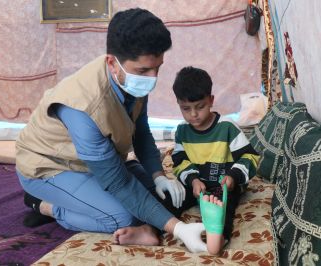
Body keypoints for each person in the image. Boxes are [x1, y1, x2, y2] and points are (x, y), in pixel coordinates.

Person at [15, 8, 207, 253]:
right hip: (49, 167)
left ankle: (82, 200)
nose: (153, 78)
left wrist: (158, 174)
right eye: (144, 71)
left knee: (154, 196)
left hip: (89, 161)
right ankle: (45, 206)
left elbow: (141, 131)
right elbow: (120, 184)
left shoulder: (129, 77)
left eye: (157, 68)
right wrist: (178, 229)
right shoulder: (83, 108)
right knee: (122, 217)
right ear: (112, 63)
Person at [170, 66, 260, 254]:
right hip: (194, 186)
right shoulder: (182, 131)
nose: (193, 114)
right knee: (170, 198)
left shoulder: (227, 127)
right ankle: (150, 228)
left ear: (211, 101)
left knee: (224, 209)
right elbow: (179, 162)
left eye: (200, 107)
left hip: (224, 186)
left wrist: (233, 177)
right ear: (178, 103)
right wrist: (193, 180)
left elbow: (250, 156)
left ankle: (219, 237)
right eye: (186, 109)